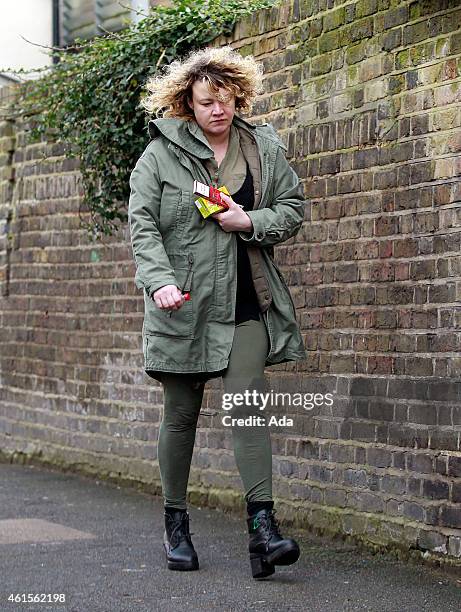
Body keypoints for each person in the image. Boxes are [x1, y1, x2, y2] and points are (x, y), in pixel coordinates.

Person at [128, 46, 307, 580]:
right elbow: (143, 226)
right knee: (181, 416)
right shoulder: (159, 157)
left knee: (248, 409)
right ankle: (176, 523)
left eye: (225, 100)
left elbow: (293, 210)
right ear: (188, 103)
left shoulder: (262, 148)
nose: (218, 111)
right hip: (183, 305)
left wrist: (247, 221)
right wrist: (158, 282)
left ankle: (263, 529)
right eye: (206, 102)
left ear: (237, 97)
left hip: (248, 304)